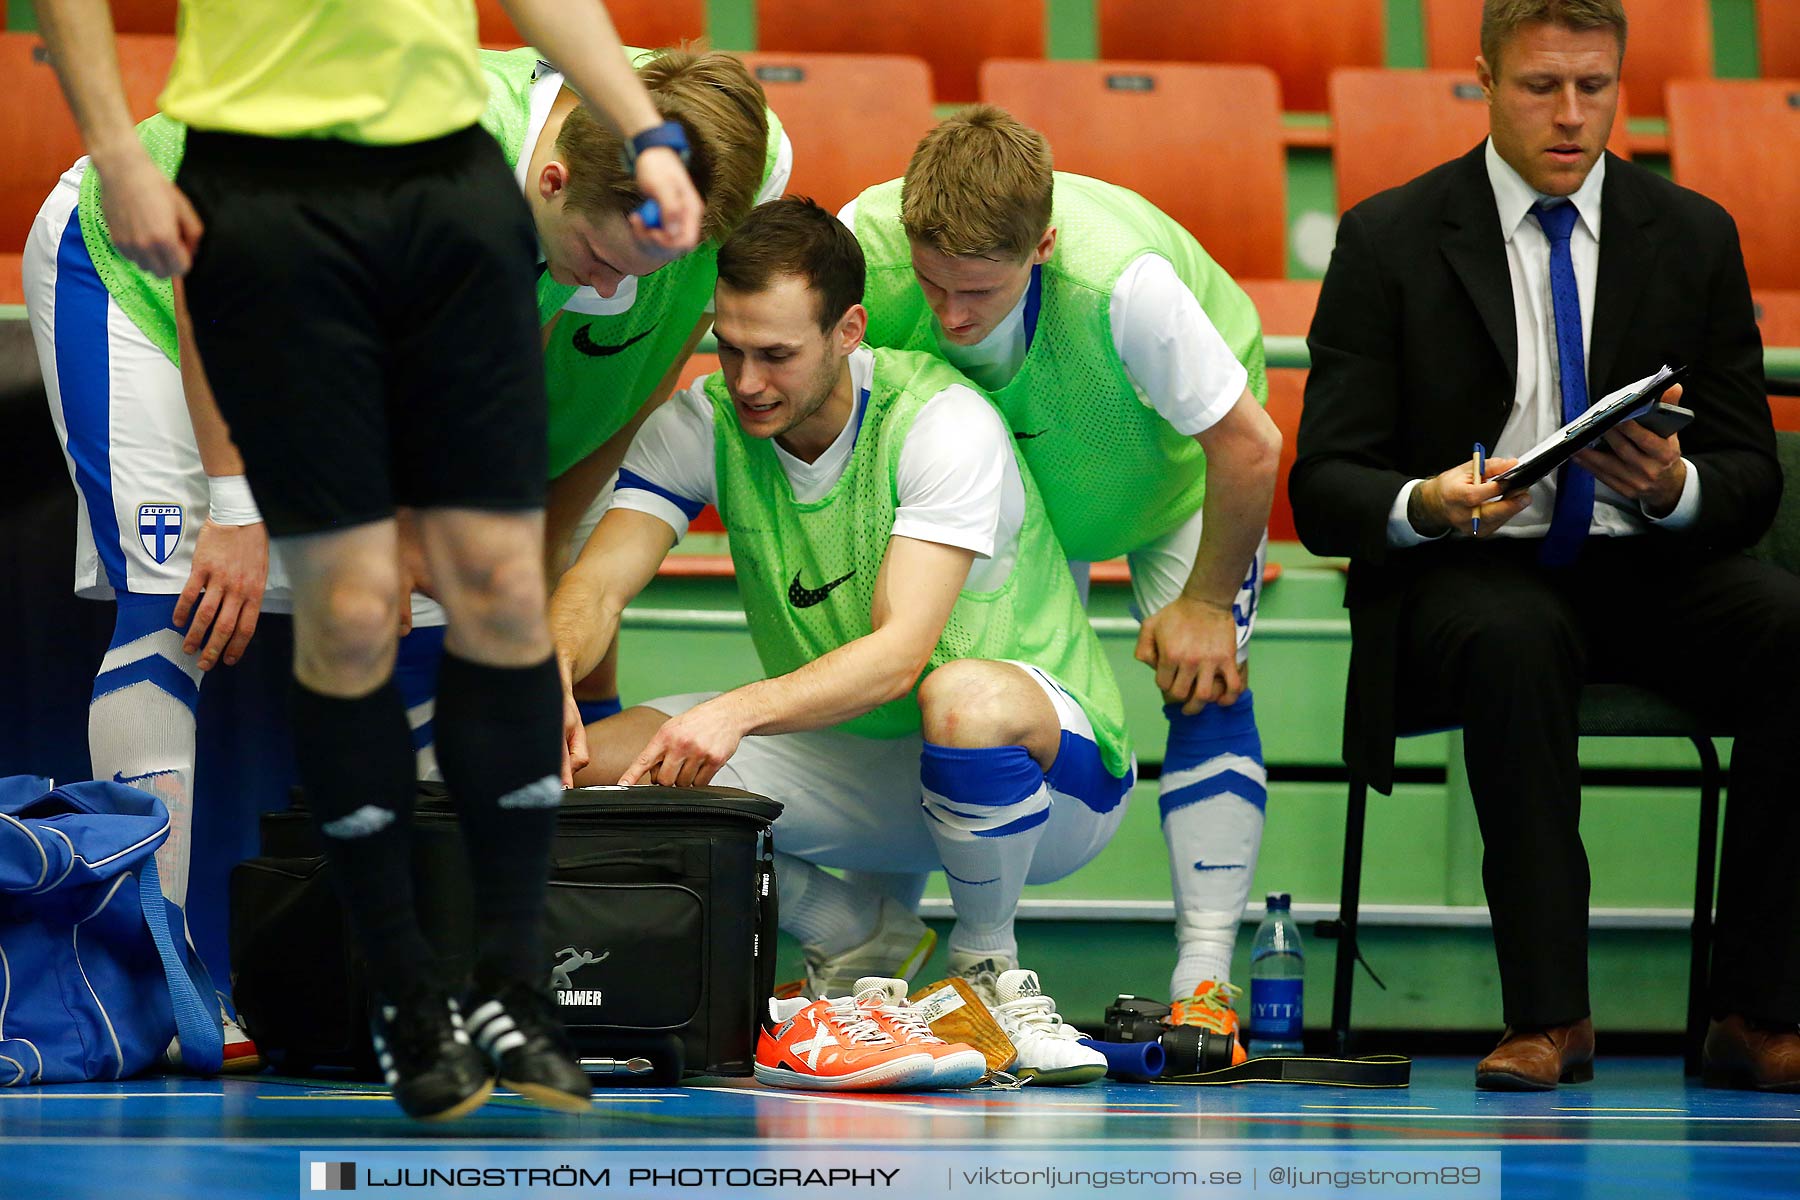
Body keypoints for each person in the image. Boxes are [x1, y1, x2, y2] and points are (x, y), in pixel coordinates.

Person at [23, 34, 772, 1080]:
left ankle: (431, 984)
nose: (612, 289)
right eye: (600, 261)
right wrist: (234, 509)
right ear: (550, 180)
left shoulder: (719, 150)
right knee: (177, 603)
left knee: (430, 632)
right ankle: (163, 976)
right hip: (151, 269)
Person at [1291, 0, 1800, 1091]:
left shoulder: (1694, 233)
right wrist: (1425, 501)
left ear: (1621, 82)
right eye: (1540, 87)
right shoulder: (1390, 235)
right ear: (1484, 80)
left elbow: (1754, 477)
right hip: (1469, 570)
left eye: (1594, 88)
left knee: (1793, 628)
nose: (1572, 116)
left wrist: (1675, 488)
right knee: (1514, 638)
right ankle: (1549, 1018)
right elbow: (1324, 486)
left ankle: (1757, 1013)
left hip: (1651, 567)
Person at [551, 198, 1132, 1081]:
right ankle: (856, 933)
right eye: (729, 347)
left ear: (848, 330)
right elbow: (595, 585)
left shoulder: (941, 423)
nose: (746, 380)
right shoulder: (702, 422)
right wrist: (545, 674)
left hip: (1050, 783)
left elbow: (902, 655)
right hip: (860, 771)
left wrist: (736, 712)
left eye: (777, 354)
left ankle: (984, 966)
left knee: (960, 695)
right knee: (587, 767)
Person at [841, 109, 1283, 1059]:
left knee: (1206, 685)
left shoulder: (1127, 286)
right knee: (953, 680)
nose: (951, 315)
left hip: (1171, 474)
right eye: (932, 285)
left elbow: (1249, 447)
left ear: (1042, 246)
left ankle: (1205, 980)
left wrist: (1205, 604)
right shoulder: (863, 248)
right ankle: (913, 955)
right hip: (1018, 470)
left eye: (980, 290)